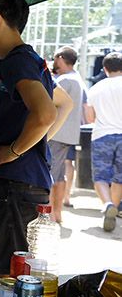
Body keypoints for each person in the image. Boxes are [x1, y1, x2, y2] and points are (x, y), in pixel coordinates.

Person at [0, 0, 72, 279]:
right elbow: (7, 117)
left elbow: (47, 113)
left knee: (14, 277)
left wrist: (17, 149)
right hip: (3, 183)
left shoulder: (18, 60)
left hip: (15, 184)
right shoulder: (5, 63)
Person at [85, 52, 122, 232]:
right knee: (119, 177)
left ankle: (108, 205)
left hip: (102, 135)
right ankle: (113, 210)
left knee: (100, 176)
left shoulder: (95, 88)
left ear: (105, 68)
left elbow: (90, 118)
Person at [48, 46, 85, 222]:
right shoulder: (76, 79)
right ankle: (57, 213)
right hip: (68, 135)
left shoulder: (64, 81)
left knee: (49, 175)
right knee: (60, 174)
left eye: (55, 58)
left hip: (56, 133)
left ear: (61, 58)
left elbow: (48, 102)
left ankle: (48, 215)